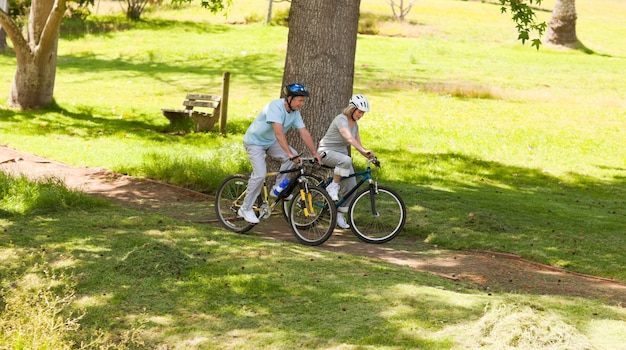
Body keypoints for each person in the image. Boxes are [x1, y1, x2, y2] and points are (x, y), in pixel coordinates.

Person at [238, 83, 322, 224]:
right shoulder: (275, 107)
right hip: (255, 142)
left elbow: (303, 132)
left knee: (294, 157)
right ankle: (245, 208)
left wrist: (314, 152)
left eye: (303, 100)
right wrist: (289, 153)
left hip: (270, 142)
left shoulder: (295, 113)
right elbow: (278, 133)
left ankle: (278, 189)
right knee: (259, 175)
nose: (302, 104)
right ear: (289, 98)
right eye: (299, 100)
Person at [317, 94, 375, 229]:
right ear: (352, 109)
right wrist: (362, 150)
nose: (361, 115)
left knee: (351, 188)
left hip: (343, 159)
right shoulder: (341, 119)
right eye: (359, 112)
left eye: (363, 113)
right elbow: (349, 138)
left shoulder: (355, 126)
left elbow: (358, 145)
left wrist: (369, 156)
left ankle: (338, 214)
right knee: (346, 160)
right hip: (326, 152)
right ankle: (333, 186)